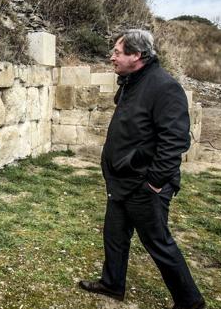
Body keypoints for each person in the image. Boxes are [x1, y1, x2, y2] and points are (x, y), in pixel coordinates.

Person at [78, 30, 206, 309]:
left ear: (136, 55)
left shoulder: (164, 87)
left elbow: (175, 140)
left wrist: (155, 182)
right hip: (121, 181)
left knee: (158, 243)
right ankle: (112, 284)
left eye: (117, 52)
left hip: (144, 185)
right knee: (114, 235)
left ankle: (190, 302)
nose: (112, 57)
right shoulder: (130, 82)